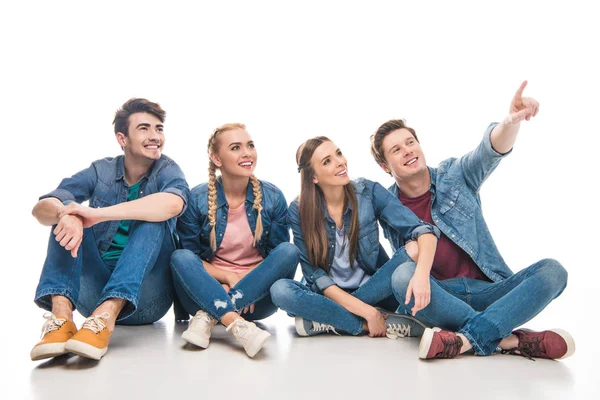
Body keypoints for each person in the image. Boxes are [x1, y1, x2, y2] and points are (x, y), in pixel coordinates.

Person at [370, 81, 574, 360]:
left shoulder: (454, 175)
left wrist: (510, 122)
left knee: (553, 272)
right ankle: (510, 339)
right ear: (385, 166)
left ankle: (464, 339)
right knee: (402, 276)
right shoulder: (385, 206)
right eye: (396, 150)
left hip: (491, 290)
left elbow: (488, 151)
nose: (407, 150)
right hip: (438, 297)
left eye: (410, 142)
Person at [30, 98, 190, 361]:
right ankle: (61, 320)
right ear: (122, 138)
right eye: (144, 128)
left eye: (159, 128)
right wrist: (65, 212)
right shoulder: (101, 170)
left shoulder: (168, 169)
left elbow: (172, 204)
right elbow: (41, 209)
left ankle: (107, 316)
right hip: (93, 297)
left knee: (153, 218)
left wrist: (96, 214)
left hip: (148, 299)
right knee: (67, 214)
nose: (155, 136)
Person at [270, 136, 439, 339]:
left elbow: (423, 231)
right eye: (327, 161)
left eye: (339, 153)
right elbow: (314, 275)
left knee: (414, 248)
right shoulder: (299, 210)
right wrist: (368, 312)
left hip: (374, 290)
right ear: (313, 177)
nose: (340, 162)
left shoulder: (367, 192)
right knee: (281, 290)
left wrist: (421, 276)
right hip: (330, 294)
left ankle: (329, 319)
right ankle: (367, 324)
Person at [171, 123, 299, 358]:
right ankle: (234, 322)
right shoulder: (196, 199)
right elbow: (193, 263)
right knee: (179, 256)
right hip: (203, 294)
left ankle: (213, 315)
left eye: (250, 145)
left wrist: (247, 286)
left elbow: (276, 259)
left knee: (289, 250)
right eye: (235, 147)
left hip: (256, 300)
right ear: (216, 158)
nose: (247, 153)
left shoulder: (272, 197)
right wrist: (229, 278)